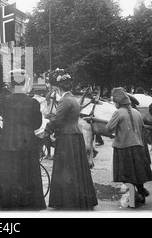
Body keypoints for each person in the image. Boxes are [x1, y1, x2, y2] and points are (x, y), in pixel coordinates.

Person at [0, 69, 45, 211]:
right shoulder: (33, 102)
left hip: (8, 141)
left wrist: (0, 131)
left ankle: (9, 205)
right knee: (28, 174)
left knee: (8, 175)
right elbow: (37, 124)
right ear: (25, 82)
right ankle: (28, 205)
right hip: (28, 142)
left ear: (11, 84)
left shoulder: (4, 100)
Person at [46, 71, 98, 210]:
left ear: (59, 88)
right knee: (77, 168)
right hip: (76, 135)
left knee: (66, 168)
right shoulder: (74, 99)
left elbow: (57, 119)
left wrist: (48, 129)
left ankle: (66, 201)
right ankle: (80, 199)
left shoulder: (64, 100)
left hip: (66, 137)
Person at [107, 87, 152, 204]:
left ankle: (134, 197)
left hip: (123, 147)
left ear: (118, 102)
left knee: (125, 174)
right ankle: (141, 191)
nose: (114, 104)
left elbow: (108, 129)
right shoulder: (137, 112)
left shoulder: (118, 113)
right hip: (138, 147)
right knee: (137, 172)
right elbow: (142, 128)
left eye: (114, 102)